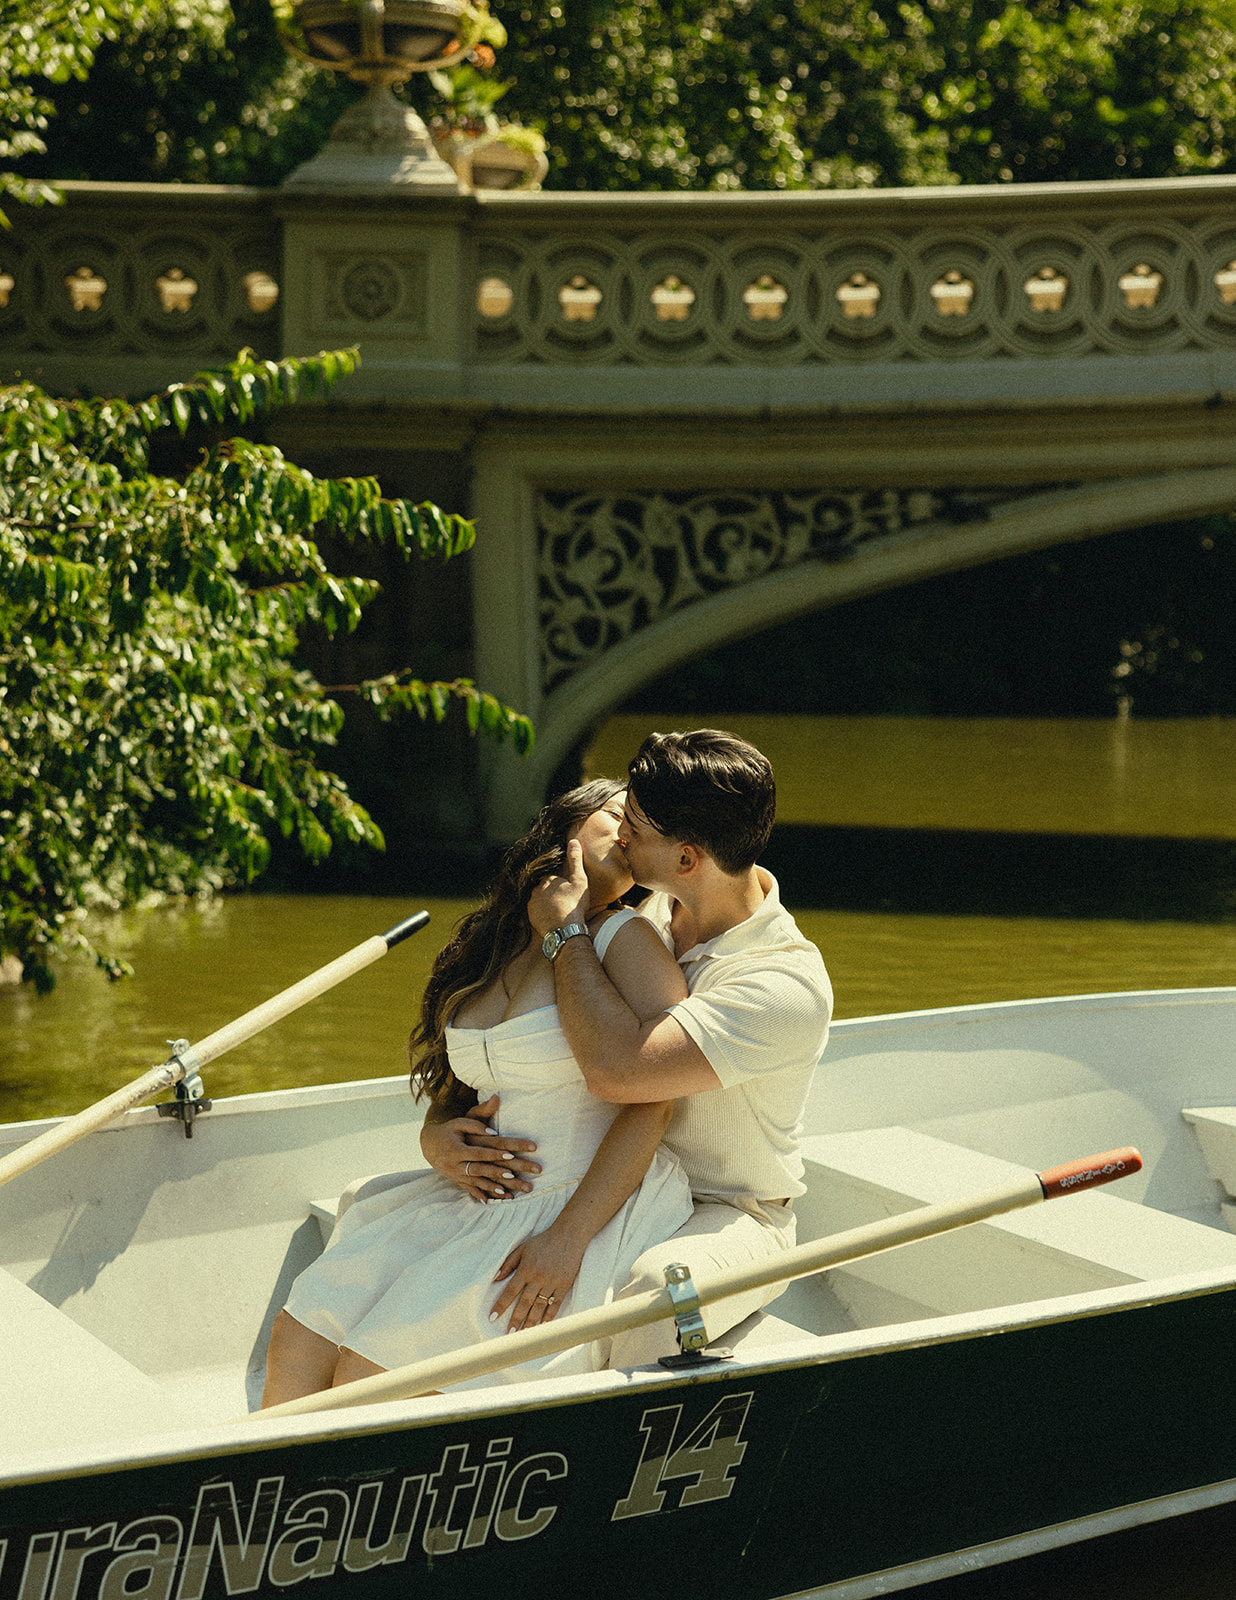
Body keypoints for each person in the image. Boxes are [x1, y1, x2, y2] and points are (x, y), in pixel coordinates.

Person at [260, 780, 693, 1406]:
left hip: (573, 1203)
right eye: (620, 816)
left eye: (644, 831)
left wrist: (568, 1239)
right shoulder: (492, 944)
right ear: (568, 822)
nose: (631, 835)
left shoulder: (622, 938)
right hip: (476, 1199)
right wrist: (436, 1135)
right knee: (296, 1336)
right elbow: (458, 1086)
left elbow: (657, 1097)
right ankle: (273, 1498)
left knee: (366, 1378)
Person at [525, 729, 833, 1366]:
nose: (621, 836)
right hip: (613, 1174)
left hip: (726, 1208)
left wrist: (566, 934)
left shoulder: (781, 984)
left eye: (633, 824)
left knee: (658, 1289)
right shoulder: (651, 914)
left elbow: (619, 1072)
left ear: (687, 859)